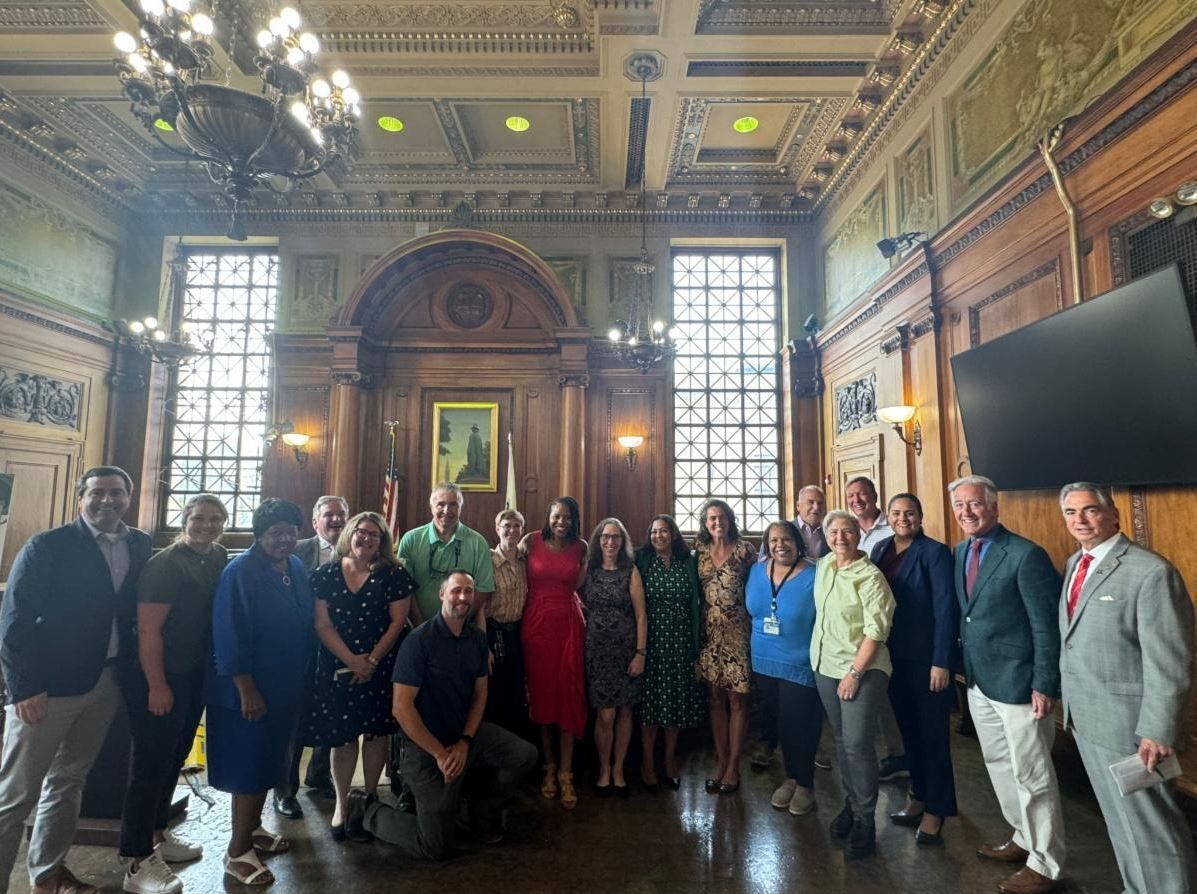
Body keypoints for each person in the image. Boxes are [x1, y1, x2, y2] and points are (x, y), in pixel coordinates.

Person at [0, 466, 151, 894]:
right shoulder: (48, 545)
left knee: (68, 783)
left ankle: (47, 875)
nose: (108, 500)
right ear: (79, 498)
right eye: (98, 493)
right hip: (47, 689)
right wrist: (24, 687)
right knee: (15, 797)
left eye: (117, 492)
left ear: (129, 496)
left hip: (105, 684)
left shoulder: (140, 543)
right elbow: (14, 621)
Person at [1057, 483, 1196, 894]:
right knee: (1120, 823)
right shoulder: (1073, 563)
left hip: (1132, 728)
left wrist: (1158, 728)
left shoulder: (1150, 571)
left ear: (1113, 514)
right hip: (1087, 718)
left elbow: (1169, 659)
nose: (1079, 520)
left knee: (1153, 827)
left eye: (1088, 510)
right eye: (1070, 512)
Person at [347, 572, 538, 859]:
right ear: (441, 595)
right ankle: (367, 811)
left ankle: (478, 811)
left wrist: (464, 741)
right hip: (424, 747)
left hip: (464, 737)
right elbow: (401, 707)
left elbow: (480, 695)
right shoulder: (418, 641)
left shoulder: (476, 639)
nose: (463, 598)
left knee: (525, 755)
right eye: (456, 591)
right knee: (434, 846)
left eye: (469, 592)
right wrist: (440, 753)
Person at [950, 475, 1064, 894]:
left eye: (975, 504)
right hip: (980, 681)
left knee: (1032, 773)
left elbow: (1045, 626)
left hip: (1021, 685)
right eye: (960, 505)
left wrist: (1045, 683)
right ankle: (1023, 837)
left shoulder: (1026, 555)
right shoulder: (961, 550)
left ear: (995, 507)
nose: (966, 512)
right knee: (999, 765)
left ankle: (1046, 863)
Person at [119, 494, 228, 894]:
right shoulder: (164, 564)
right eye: (199, 518)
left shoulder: (216, 556)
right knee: (149, 765)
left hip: (194, 675)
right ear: (185, 520)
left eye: (216, 519)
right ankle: (136, 860)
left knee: (174, 757)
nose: (207, 525)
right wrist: (157, 684)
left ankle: (158, 833)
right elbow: (148, 631)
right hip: (160, 677)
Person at [207, 499, 313, 887]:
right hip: (247, 690)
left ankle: (252, 829)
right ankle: (237, 852)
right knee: (248, 769)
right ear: (259, 534)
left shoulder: (296, 566)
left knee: (271, 760)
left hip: (285, 686)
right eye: (275, 532)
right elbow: (229, 633)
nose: (284, 539)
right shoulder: (241, 571)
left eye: (290, 531)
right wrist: (246, 688)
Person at [302, 512, 415, 841]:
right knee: (344, 736)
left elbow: (399, 622)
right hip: (337, 663)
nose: (367, 539)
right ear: (350, 534)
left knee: (376, 734)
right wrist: (352, 660)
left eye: (375, 535)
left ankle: (368, 797)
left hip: (380, 666)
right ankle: (341, 803)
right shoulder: (326, 573)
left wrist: (372, 661)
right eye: (361, 533)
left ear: (383, 541)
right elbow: (321, 624)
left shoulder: (394, 574)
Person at [869, 493, 958, 845]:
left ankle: (937, 810)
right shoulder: (879, 550)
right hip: (893, 658)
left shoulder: (934, 552)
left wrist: (941, 660)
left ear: (921, 516)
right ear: (888, 516)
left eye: (909, 513)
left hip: (927, 661)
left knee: (934, 736)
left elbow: (945, 610)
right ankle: (918, 796)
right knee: (909, 734)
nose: (902, 518)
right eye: (896, 513)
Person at [811, 509, 896, 859]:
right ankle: (852, 803)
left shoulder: (870, 576)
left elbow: (877, 631)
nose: (840, 538)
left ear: (858, 535)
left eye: (847, 531)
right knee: (843, 740)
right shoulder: (825, 565)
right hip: (825, 665)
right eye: (834, 532)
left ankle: (865, 819)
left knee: (859, 744)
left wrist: (855, 674)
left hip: (861, 670)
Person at [278, 495, 349, 814]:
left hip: (341, 647)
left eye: (342, 514)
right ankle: (285, 789)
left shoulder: (358, 551)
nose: (336, 520)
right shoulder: (295, 550)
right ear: (315, 519)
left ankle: (320, 774)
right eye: (329, 514)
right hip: (300, 647)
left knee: (334, 710)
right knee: (295, 716)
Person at [745, 521, 821, 818]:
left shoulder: (816, 573)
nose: (780, 544)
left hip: (799, 662)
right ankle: (791, 778)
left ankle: (805, 784)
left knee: (799, 724)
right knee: (776, 720)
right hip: (763, 660)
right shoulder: (756, 570)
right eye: (774, 540)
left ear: (798, 541)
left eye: (786, 539)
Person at [752, 485, 828, 772]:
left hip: (801, 651)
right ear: (798, 505)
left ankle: (803, 769)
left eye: (819, 502)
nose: (815, 507)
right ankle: (774, 749)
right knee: (771, 707)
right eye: (809, 502)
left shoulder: (822, 551)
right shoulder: (758, 568)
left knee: (800, 715)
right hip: (765, 653)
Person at [520, 497, 588, 809]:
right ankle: (549, 766)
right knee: (543, 696)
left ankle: (566, 771)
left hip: (568, 627)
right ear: (548, 517)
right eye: (557, 516)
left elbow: (579, 585)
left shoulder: (582, 548)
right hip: (536, 626)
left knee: (568, 695)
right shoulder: (531, 541)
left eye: (568, 517)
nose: (562, 522)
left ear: (574, 520)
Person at [634, 515, 704, 791]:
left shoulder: (689, 561)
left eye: (664, 531)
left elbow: (695, 603)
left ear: (673, 534)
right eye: (654, 532)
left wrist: (695, 647)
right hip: (650, 643)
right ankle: (648, 763)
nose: (658, 536)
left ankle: (669, 759)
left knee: (675, 703)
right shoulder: (642, 560)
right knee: (650, 706)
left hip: (681, 643)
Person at [844, 475, 906, 782]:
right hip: (857, 628)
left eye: (862, 494)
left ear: (875, 495)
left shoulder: (892, 526)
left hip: (888, 620)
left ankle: (900, 754)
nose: (857, 500)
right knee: (878, 696)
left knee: (894, 693)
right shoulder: (848, 529)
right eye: (851, 495)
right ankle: (890, 752)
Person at [694, 498, 757, 794]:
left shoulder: (745, 551)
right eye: (711, 519)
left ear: (730, 520)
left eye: (722, 517)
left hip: (738, 633)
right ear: (705, 523)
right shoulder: (700, 551)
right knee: (715, 699)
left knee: (738, 700)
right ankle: (720, 761)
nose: (717, 522)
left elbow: (758, 587)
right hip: (709, 634)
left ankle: (734, 765)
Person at [581, 518, 647, 796]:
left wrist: (640, 653)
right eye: (605, 537)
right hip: (597, 653)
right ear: (598, 540)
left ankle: (618, 769)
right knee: (605, 715)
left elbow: (641, 614)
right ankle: (603, 769)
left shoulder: (630, 571)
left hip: (626, 652)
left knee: (624, 711)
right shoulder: (589, 569)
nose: (610, 542)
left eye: (616, 538)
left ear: (623, 542)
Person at [397, 483, 494, 626]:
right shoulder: (410, 540)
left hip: (462, 630)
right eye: (440, 504)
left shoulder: (478, 543)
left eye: (453, 505)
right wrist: (422, 628)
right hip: (417, 630)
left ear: (460, 508)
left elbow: (483, 590)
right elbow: (405, 589)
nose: (447, 510)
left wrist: (457, 623)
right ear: (431, 507)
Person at [487, 509, 529, 736]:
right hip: (494, 632)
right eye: (507, 526)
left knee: (517, 694)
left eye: (516, 526)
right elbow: (480, 607)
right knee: (495, 693)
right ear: (497, 529)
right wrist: (484, 646)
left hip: (518, 633)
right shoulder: (488, 560)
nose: (512, 530)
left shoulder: (526, 562)